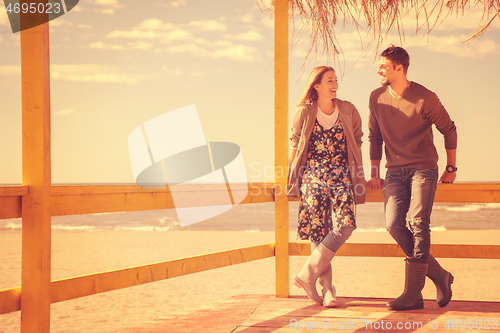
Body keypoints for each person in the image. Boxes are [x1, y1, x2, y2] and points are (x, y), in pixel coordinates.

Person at [368, 45, 457, 311]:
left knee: (418, 222)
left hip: (423, 167)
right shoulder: (376, 97)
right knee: (394, 224)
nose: (379, 70)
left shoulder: (425, 97)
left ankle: (413, 294)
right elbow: (375, 136)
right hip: (394, 171)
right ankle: (440, 274)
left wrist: (451, 167)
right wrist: (374, 171)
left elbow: (449, 130)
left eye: (383, 66)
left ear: (399, 68)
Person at [288, 66, 366, 307]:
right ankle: (328, 290)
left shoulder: (348, 109)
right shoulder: (303, 112)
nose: (335, 84)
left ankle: (307, 275)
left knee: (346, 226)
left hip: (342, 176)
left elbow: (357, 140)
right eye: (330, 80)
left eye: (336, 80)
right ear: (317, 85)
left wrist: (360, 176)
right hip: (312, 177)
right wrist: (289, 179)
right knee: (318, 232)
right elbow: (294, 146)